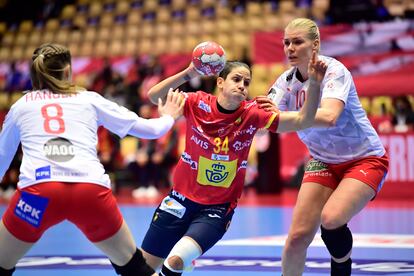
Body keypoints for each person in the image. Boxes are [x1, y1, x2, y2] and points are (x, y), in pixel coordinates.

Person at [0, 43, 185, 276]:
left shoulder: (19, 107)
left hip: (38, 195)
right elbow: (151, 130)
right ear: (68, 71)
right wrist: (168, 117)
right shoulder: (89, 99)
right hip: (90, 192)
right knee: (134, 267)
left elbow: (2, 158)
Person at [140, 54, 328, 276]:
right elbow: (154, 96)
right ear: (220, 82)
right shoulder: (196, 102)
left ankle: (184, 260)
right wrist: (189, 73)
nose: (242, 86)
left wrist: (314, 84)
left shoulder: (253, 113)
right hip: (178, 201)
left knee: (175, 262)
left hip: (216, 209)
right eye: (236, 79)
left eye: (246, 83)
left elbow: (302, 121)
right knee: (140, 270)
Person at [257, 18, 389, 276]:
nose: (290, 49)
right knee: (296, 237)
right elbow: (263, 123)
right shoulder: (285, 81)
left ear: (315, 44)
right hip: (322, 160)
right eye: (286, 43)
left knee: (331, 219)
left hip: (364, 159)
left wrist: (284, 120)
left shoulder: (335, 70)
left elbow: (329, 117)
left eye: (297, 42)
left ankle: (342, 270)